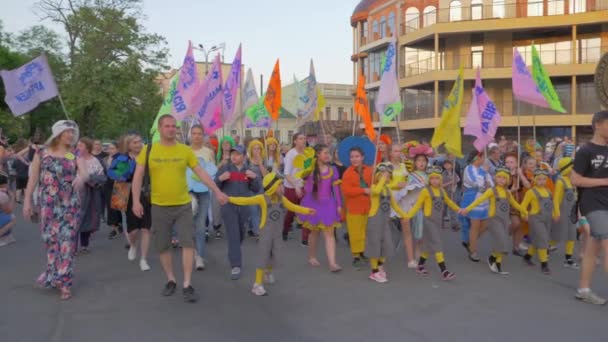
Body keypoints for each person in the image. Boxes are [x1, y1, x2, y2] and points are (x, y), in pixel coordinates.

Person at [131, 115, 228, 303]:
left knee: (187, 243)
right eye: (167, 126)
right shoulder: (148, 150)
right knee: (163, 246)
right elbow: (138, 176)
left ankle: (187, 284)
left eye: (174, 126)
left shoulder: (185, 150)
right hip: (159, 206)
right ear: (159, 129)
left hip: (183, 205)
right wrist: (136, 201)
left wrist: (217, 191)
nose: (171, 129)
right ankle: (171, 279)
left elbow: (201, 172)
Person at [23, 120, 84, 300]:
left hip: (70, 204)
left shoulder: (75, 153)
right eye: (68, 132)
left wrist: (81, 177)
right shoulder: (42, 153)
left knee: (67, 242)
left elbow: (84, 171)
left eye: (73, 132)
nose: (71, 135)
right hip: (48, 205)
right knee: (50, 240)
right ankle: (53, 274)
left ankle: (64, 282)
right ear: (58, 134)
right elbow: (33, 179)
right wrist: (27, 202)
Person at [228, 172, 314, 296]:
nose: (283, 187)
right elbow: (246, 200)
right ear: (273, 187)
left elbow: (293, 207)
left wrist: (306, 210)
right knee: (262, 257)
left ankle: (268, 273)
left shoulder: (282, 199)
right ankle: (257, 284)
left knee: (275, 254)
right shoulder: (262, 199)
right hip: (266, 234)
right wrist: (229, 199)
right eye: (280, 185)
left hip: (277, 233)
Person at [571, 111, 608, 305]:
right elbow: (575, 179)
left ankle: (583, 289)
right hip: (593, 204)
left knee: (592, 249)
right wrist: (603, 181)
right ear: (598, 125)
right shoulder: (585, 150)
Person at [462, 166, 527, 275]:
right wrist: (467, 209)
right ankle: (496, 262)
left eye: (504, 178)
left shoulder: (507, 193)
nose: (501, 180)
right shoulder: (491, 191)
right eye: (499, 177)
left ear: (508, 180)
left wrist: (524, 211)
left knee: (502, 241)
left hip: (504, 220)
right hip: (494, 220)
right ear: (495, 178)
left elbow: (515, 204)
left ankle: (494, 259)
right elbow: (479, 200)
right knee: (502, 241)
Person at [404, 166, 460, 280]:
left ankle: (420, 265)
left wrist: (459, 210)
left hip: (438, 221)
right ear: (429, 179)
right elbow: (417, 205)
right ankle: (444, 271)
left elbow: (449, 202)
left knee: (428, 246)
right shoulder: (425, 191)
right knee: (437, 243)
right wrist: (407, 216)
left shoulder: (441, 191)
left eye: (437, 178)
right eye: (432, 178)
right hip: (428, 221)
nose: (435, 180)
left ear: (440, 180)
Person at [215, 145, 260, 280]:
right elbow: (215, 186)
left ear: (244, 157)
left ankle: (233, 251)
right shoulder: (225, 169)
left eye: (238, 154)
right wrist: (220, 179)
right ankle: (236, 265)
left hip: (244, 207)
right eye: (233, 153)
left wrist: (254, 178)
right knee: (233, 234)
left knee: (240, 233)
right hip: (229, 206)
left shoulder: (248, 171)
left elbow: (256, 189)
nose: (234, 156)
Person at [296, 144, 342, 272]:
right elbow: (308, 190)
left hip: (328, 204)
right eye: (325, 153)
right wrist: (310, 177)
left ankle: (332, 263)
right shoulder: (310, 170)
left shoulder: (333, 169)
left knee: (329, 233)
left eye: (328, 153)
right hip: (313, 204)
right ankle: (312, 256)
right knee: (314, 232)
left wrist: (339, 205)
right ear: (317, 154)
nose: (328, 155)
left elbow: (336, 190)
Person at [366, 162, 408, 283]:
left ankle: (379, 266)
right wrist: (381, 180)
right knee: (374, 245)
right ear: (377, 175)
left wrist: (405, 215)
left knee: (386, 245)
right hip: (374, 220)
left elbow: (394, 205)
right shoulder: (374, 187)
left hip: (385, 221)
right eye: (383, 174)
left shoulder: (388, 190)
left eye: (388, 174)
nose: (386, 176)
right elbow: (377, 190)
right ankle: (374, 272)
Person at [189, 125, 216, 271]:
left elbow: (212, 171)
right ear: (190, 135)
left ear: (203, 136)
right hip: (188, 193)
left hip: (204, 192)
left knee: (200, 226)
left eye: (200, 134)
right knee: (189, 225)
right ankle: (193, 252)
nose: (197, 136)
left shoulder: (209, 152)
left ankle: (200, 256)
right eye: (194, 133)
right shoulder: (185, 151)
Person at [341, 146, 373, 269]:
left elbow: (374, 183)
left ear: (362, 157)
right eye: (352, 157)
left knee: (365, 232)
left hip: (368, 206)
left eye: (357, 156)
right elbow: (347, 190)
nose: (354, 159)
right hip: (354, 207)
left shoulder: (370, 170)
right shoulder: (347, 173)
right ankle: (356, 256)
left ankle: (362, 252)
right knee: (355, 233)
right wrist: (363, 190)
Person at [460, 151, 493, 262]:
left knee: (485, 225)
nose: (484, 159)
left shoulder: (483, 169)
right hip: (472, 199)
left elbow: (490, 184)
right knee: (475, 226)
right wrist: (484, 176)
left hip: (484, 201)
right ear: (476, 159)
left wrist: (486, 180)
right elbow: (475, 183)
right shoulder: (468, 169)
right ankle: (473, 251)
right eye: (482, 157)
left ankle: (469, 241)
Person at [76, 137, 107, 254]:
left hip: (91, 194)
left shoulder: (95, 161)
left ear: (87, 148)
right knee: (75, 219)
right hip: (75, 193)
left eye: (81, 145)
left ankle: (84, 244)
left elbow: (102, 177)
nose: (78, 148)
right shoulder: (72, 158)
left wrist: (90, 179)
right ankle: (72, 246)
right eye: (77, 145)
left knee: (87, 218)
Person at [520, 169, 553, 275]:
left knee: (536, 240)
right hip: (536, 219)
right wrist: (524, 214)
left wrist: (556, 214)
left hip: (547, 219)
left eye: (544, 179)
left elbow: (551, 206)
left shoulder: (548, 191)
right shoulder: (531, 192)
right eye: (539, 179)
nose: (542, 181)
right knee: (543, 240)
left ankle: (527, 257)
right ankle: (544, 264)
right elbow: (523, 206)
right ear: (534, 180)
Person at [551, 157, 579, 269]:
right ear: (568, 168)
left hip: (572, 213)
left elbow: (576, 196)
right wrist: (556, 213)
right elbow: (556, 199)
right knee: (557, 235)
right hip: (562, 212)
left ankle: (568, 259)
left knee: (572, 235)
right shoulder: (560, 181)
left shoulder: (573, 180)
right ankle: (546, 248)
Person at [282, 133, 306, 242]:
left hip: (303, 186)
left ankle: (305, 237)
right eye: (301, 138)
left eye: (304, 138)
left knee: (305, 210)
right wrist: (295, 186)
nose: (303, 140)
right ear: (295, 141)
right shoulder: (291, 154)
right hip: (291, 187)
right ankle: (285, 230)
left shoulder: (306, 153)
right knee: (291, 212)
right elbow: (287, 174)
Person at [247, 139, 268, 237]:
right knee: (253, 210)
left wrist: (260, 163)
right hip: (251, 188)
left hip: (261, 188)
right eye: (255, 149)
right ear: (251, 150)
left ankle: (253, 228)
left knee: (259, 210)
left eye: (259, 149)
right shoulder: (247, 160)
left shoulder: (264, 160)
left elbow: (265, 175)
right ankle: (257, 231)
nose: (257, 151)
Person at [103, 141, 123, 240]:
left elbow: (119, 173)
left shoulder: (121, 158)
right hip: (107, 185)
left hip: (117, 185)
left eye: (112, 148)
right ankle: (115, 228)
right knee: (110, 207)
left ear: (118, 149)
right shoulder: (106, 159)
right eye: (109, 148)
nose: (110, 150)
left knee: (117, 207)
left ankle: (119, 225)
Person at [0, 173, 16, 247]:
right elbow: (9, 211)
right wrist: (12, 197)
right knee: (12, 217)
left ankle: (7, 237)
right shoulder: (2, 195)